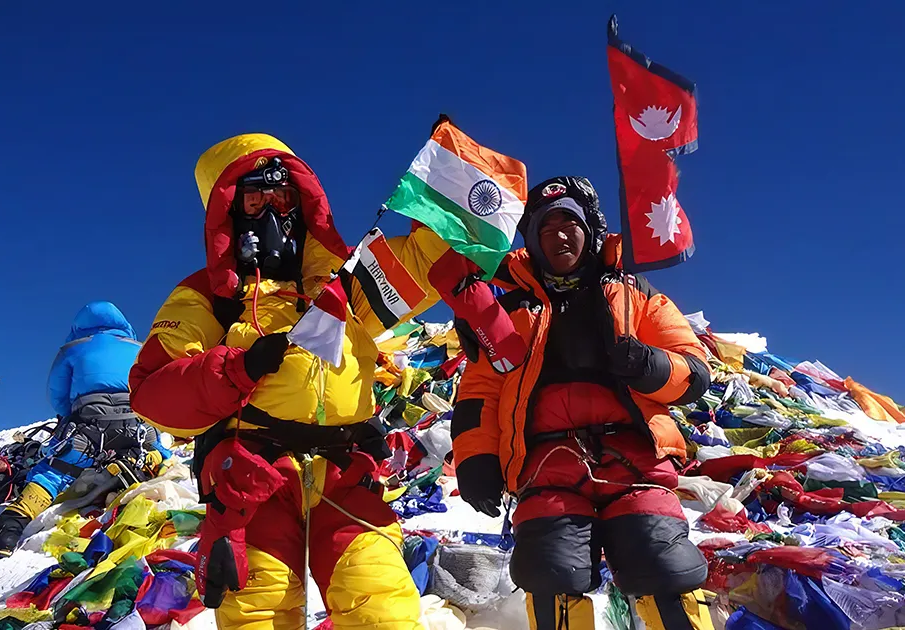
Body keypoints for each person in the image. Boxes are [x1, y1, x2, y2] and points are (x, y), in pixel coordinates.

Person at [129, 133, 449, 629]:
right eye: (255, 198)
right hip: (251, 478)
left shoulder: (346, 283)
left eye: (283, 197)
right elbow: (152, 395)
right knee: (260, 613)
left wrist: (445, 195)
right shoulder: (210, 297)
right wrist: (235, 368)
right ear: (229, 212)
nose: (274, 211)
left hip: (344, 470)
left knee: (382, 604)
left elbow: (427, 265)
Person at [450, 177, 714, 630]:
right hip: (546, 464)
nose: (560, 234)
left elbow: (693, 373)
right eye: (546, 227)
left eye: (570, 222)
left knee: (665, 567)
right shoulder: (504, 311)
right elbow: (479, 393)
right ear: (532, 239)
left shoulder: (635, 295)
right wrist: (475, 460)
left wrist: (647, 364)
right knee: (550, 572)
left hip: (634, 461)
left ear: (589, 230)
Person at [0, 301, 170, 558]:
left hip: (89, 426)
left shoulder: (72, 349)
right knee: (158, 448)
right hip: (137, 426)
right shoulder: (139, 349)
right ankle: (143, 462)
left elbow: (57, 397)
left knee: (51, 474)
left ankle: (7, 532)